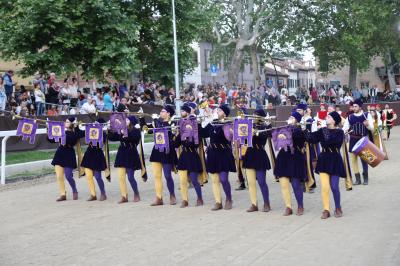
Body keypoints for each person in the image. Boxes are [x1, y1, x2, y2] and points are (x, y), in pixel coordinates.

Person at [306, 112, 346, 219]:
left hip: (335, 160)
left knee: (334, 187)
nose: (326, 118)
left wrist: (323, 130)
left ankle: (338, 207)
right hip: (324, 160)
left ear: (334, 121)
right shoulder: (322, 130)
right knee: (325, 187)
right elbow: (311, 138)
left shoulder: (339, 132)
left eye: (329, 117)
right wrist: (305, 129)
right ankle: (326, 209)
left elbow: (332, 142)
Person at [201, 104, 236, 211]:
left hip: (224, 153)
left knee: (224, 179)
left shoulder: (229, 123)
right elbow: (203, 133)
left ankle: (229, 199)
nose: (217, 111)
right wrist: (203, 121)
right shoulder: (213, 123)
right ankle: (218, 202)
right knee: (215, 180)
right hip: (212, 153)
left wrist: (224, 124)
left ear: (224, 113)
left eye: (219, 110)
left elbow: (229, 137)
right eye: (217, 110)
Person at [274, 111, 307, 216]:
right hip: (283, 157)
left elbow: (296, 135)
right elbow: (275, 136)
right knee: (284, 184)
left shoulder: (299, 130)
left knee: (296, 184)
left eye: (292, 117)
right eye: (290, 117)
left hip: (295, 157)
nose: (289, 118)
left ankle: (300, 205)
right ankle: (288, 207)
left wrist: (287, 133)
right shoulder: (284, 128)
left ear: (297, 120)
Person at [145, 105, 178, 206]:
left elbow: (167, 132)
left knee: (167, 175)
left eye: (163, 111)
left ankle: (172, 195)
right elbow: (148, 130)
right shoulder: (157, 122)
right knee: (157, 176)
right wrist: (142, 118)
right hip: (157, 151)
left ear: (168, 113)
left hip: (167, 151)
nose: (161, 113)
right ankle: (159, 198)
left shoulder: (172, 123)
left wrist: (155, 120)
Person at [242, 109, 272, 212]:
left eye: (256, 115)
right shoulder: (248, 126)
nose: (254, 117)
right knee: (250, 182)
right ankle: (254, 204)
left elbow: (266, 135)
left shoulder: (264, 127)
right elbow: (244, 140)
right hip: (249, 154)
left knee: (262, 181)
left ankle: (266, 203)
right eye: (253, 115)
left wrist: (257, 133)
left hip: (259, 155)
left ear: (261, 117)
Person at [109, 116, 143, 203]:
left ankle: (136, 193)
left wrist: (124, 131)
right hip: (122, 153)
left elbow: (133, 139)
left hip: (131, 153)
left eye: (127, 120)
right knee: (121, 177)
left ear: (131, 122)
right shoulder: (121, 129)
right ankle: (124, 196)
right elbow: (112, 138)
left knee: (130, 177)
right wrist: (109, 129)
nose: (125, 121)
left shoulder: (135, 131)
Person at [175, 104, 204, 207]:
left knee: (194, 179)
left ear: (187, 112)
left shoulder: (195, 127)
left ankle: (199, 198)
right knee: (182, 180)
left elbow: (196, 143)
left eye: (182, 111)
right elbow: (176, 144)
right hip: (184, 156)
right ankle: (185, 200)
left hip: (192, 155)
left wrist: (189, 133)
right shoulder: (181, 127)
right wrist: (174, 135)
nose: (181, 113)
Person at [48, 117, 81, 201]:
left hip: (69, 154)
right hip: (60, 153)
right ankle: (63, 194)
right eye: (65, 122)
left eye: (67, 122)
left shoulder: (74, 133)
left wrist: (61, 132)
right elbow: (51, 140)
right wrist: (48, 129)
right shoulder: (61, 131)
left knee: (68, 176)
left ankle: (74, 190)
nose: (65, 123)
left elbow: (70, 140)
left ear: (72, 124)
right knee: (59, 176)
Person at [343, 99, 374, 185]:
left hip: (363, 140)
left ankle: (366, 178)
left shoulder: (367, 115)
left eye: (356, 106)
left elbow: (372, 128)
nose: (354, 108)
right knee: (353, 159)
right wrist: (341, 132)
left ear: (360, 107)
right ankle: (357, 179)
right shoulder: (350, 117)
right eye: (353, 106)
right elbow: (345, 128)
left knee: (364, 159)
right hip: (353, 140)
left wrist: (367, 125)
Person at [81, 118, 108, 201]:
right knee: (89, 176)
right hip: (89, 153)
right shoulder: (89, 130)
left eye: (97, 123)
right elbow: (85, 140)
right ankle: (93, 194)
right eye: (94, 123)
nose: (95, 124)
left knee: (97, 177)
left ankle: (103, 193)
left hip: (97, 154)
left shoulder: (104, 134)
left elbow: (100, 144)